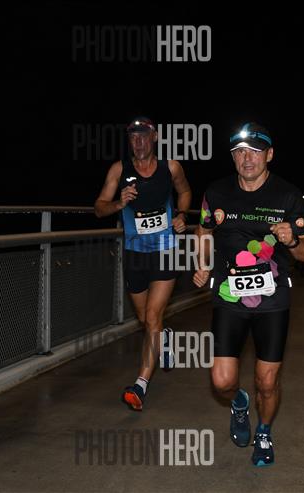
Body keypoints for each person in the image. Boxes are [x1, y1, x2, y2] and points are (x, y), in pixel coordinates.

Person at [192, 123, 304, 466]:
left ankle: (263, 431)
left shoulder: (289, 196)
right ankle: (238, 402)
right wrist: (203, 262)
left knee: (267, 381)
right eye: (240, 152)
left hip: (273, 300)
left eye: (255, 151)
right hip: (228, 296)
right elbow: (204, 228)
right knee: (222, 381)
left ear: (269, 155)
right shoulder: (216, 192)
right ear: (233, 157)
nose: (247, 159)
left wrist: (293, 239)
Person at [94, 116, 192, 410]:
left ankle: (140, 385)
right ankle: (165, 338)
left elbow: (185, 192)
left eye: (143, 135)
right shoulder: (119, 170)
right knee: (144, 318)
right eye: (133, 136)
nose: (138, 141)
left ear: (155, 137)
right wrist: (119, 203)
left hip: (164, 248)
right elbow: (99, 208)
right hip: (134, 253)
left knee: (151, 317)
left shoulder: (170, 167)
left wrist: (181, 215)